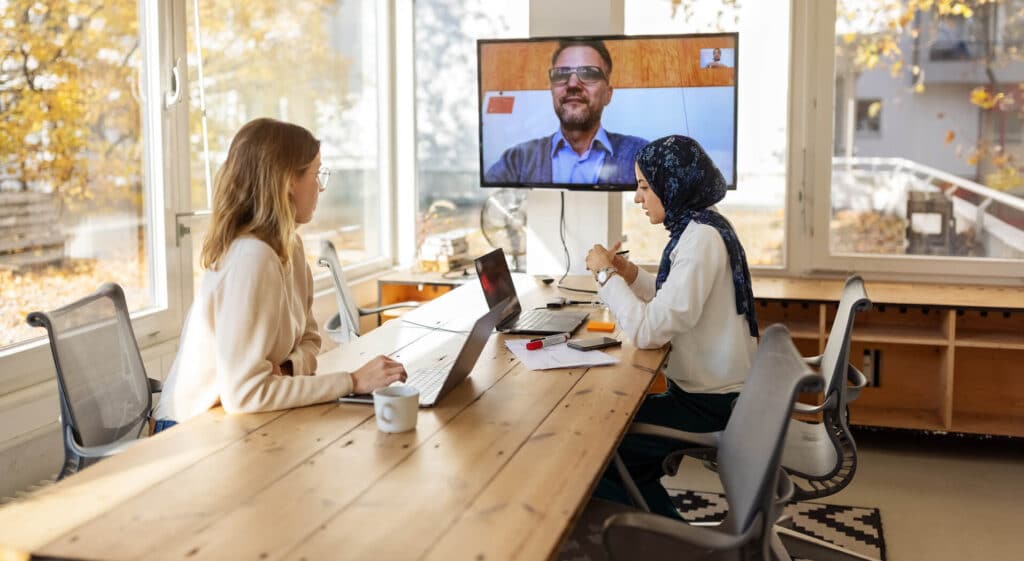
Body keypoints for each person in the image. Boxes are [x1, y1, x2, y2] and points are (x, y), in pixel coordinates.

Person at [152, 118, 406, 432]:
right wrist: (352, 381)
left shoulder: (290, 247)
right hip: (187, 430)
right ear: (288, 182)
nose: (320, 187)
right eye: (316, 174)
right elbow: (245, 394)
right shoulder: (251, 258)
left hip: (236, 420)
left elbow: (311, 339)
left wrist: (285, 369)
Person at [584, 135, 758, 518]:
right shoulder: (701, 227)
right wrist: (629, 275)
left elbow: (648, 331)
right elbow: (674, 303)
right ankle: (664, 533)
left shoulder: (700, 241)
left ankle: (670, 543)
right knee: (620, 444)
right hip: (712, 394)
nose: (637, 197)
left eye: (644, 186)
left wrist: (604, 275)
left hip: (710, 405)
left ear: (672, 184)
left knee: (599, 452)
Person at [484, 39, 647, 186]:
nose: (573, 84)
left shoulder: (641, 155)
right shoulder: (517, 160)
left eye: (589, 73)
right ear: (552, 91)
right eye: (561, 74)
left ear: (608, 94)